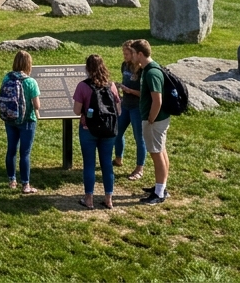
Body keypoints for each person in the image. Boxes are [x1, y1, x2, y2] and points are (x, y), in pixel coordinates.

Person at [73, 54, 121, 209]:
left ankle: (89, 199)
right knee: (107, 163)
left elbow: (76, 110)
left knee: (89, 164)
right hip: (108, 130)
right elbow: (118, 110)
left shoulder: (83, 86)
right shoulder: (111, 86)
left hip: (88, 129)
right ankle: (108, 199)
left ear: (88, 68)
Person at [129, 39, 171, 204]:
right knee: (161, 152)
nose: (131, 56)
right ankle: (161, 187)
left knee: (156, 154)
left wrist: (151, 119)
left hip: (154, 120)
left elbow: (157, 100)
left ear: (140, 54)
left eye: (132, 53)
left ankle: (159, 193)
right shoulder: (148, 69)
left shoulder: (152, 72)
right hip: (156, 119)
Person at [0, 50, 40, 194]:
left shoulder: (7, 78)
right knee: (25, 153)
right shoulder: (30, 82)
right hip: (27, 120)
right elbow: (37, 106)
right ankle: (26, 185)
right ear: (28, 64)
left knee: (11, 150)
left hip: (10, 119)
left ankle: (12, 180)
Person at [115, 41, 146, 181]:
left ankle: (140, 168)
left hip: (137, 107)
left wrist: (130, 91)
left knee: (139, 138)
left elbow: (145, 93)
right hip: (125, 105)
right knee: (117, 131)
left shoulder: (142, 70)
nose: (125, 56)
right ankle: (118, 159)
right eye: (124, 53)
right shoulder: (124, 65)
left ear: (134, 53)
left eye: (127, 53)